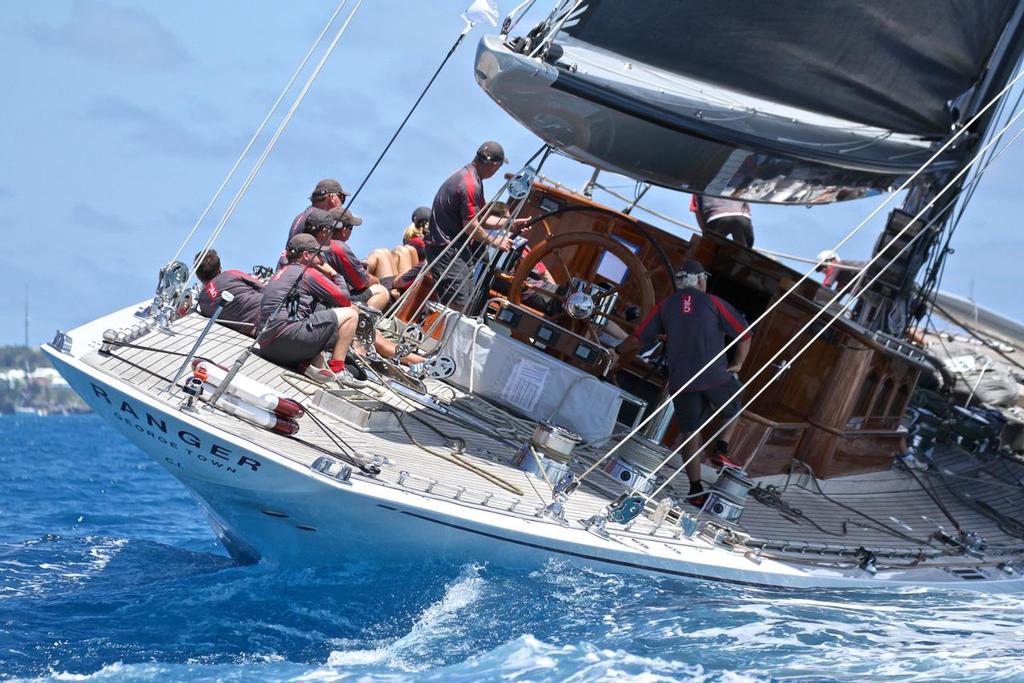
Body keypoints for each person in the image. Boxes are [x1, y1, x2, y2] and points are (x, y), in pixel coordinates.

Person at [614, 259, 752, 506]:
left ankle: (695, 489)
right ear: (700, 280)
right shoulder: (714, 303)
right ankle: (721, 449)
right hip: (713, 376)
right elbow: (745, 334)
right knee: (735, 405)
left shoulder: (665, 306)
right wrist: (739, 364)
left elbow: (637, 339)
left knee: (690, 433)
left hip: (682, 381)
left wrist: (616, 351)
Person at [257, 233, 359, 384]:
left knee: (316, 312)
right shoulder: (308, 274)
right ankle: (338, 370)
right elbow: (344, 299)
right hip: (287, 339)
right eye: (319, 254)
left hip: (266, 345)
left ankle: (307, 363)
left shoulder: (281, 272)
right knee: (351, 314)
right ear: (306, 255)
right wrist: (335, 274)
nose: (323, 259)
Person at [424, 141, 514, 310]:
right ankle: (440, 334)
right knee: (459, 304)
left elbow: (480, 218)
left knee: (465, 300)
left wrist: (509, 224)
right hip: (446, 249)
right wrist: (495, 242)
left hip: (454, 249)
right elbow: (471, 227)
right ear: (494, 165)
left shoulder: (471, 177)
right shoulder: (470, 184)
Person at [193, 250, 264, 337]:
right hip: (269, 312)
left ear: (198, 276)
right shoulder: (231, 274)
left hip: (254, 332)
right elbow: (264, 289)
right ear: (219, 269)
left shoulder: (203, 303)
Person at [286, 178, 348, 247]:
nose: (342, 203)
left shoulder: (304, 215)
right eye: (341, 197)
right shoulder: (318, 218)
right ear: (332, 197)